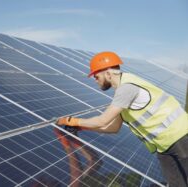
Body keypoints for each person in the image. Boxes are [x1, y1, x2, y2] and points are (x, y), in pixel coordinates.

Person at [56, 51, 188, 187]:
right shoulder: (122, 94)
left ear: (108, 73)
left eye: (96, 76)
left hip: (181, 137)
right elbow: (113, 128)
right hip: (164, 145)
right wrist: (82, 127)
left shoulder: (127, 89)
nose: (95, 80)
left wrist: (72, 120)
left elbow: (103, 120)